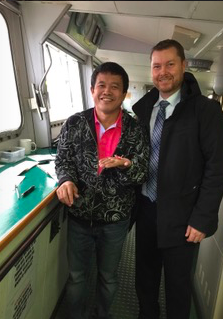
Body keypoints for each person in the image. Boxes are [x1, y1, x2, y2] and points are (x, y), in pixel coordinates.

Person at [132, 39, 223, 319]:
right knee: (145, 276)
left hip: (184, 215)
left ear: (184, 66)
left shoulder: (205, 111)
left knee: (178, 283)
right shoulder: (143, 110)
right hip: (146, 208)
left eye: (170, 64)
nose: (163, 71)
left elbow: (218, 168)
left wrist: (202, 218)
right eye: (156, 66)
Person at [55, 62, 149, 319]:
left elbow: (142, 172)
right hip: (80, 214)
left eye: (115, 87)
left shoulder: (136, 129)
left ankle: (102, 315)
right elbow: (62, 159)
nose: (107, 91)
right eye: (101, 85)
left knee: (108, 277)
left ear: (124, 93)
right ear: (92, 89)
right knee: (76, 278)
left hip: (115, 220)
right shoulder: (74, 123)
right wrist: (65, 180)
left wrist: (125, 163)